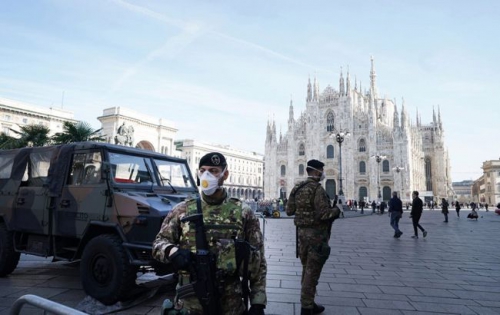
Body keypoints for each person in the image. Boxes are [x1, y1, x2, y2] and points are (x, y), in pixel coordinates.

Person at [152, 152, 267, 315]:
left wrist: (258, 302)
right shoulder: (182, 210)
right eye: (203, 170)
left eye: (213, 171)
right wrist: (172, 251)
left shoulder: (243, 212)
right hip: (190, 303)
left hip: (231, 304)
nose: (206, 175)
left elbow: (258, 259)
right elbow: (158, 244)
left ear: (225, 174)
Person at [286, 159, 341, 315]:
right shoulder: (317, 190)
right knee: (312, 272)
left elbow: (289, 210)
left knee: (307, 269)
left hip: (301, 236)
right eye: (322, 171)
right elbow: (324, 214)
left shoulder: (297, 188)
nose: (323, 173)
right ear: (317, 172)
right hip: (316, 237)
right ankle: (307, 307)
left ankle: (309, 302)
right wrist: (337, 210)